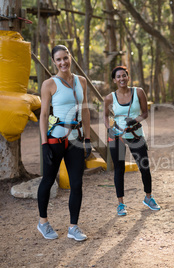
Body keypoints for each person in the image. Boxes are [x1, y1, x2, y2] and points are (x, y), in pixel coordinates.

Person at [38, 45, 91, 241]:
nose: (63, 62)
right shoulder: (49, 84)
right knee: (48, 180)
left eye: (65, 58)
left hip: (76, 139)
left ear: (70, 57)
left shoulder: (81, 81)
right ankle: (43, 222)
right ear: (54, 62)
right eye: (58, 60)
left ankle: (73, 227)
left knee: (77, 184)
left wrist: (87, 138)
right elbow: (44, 115)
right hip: (55, 139)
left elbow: (84, 111)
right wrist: (44, 145)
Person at [103, 66, 160, 216]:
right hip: (117, 136)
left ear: (128, 77)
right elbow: (104, 115)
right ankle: (120, 204)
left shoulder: (138, 92)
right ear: (114, 80)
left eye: (124, 76)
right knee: (119, 169)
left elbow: (145, 112)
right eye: (118, 77)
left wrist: (135, 120)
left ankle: (148, 197)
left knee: (144, 167)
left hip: (135, 134)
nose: (121, 79)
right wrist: (109, 128)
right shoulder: (110, 97)